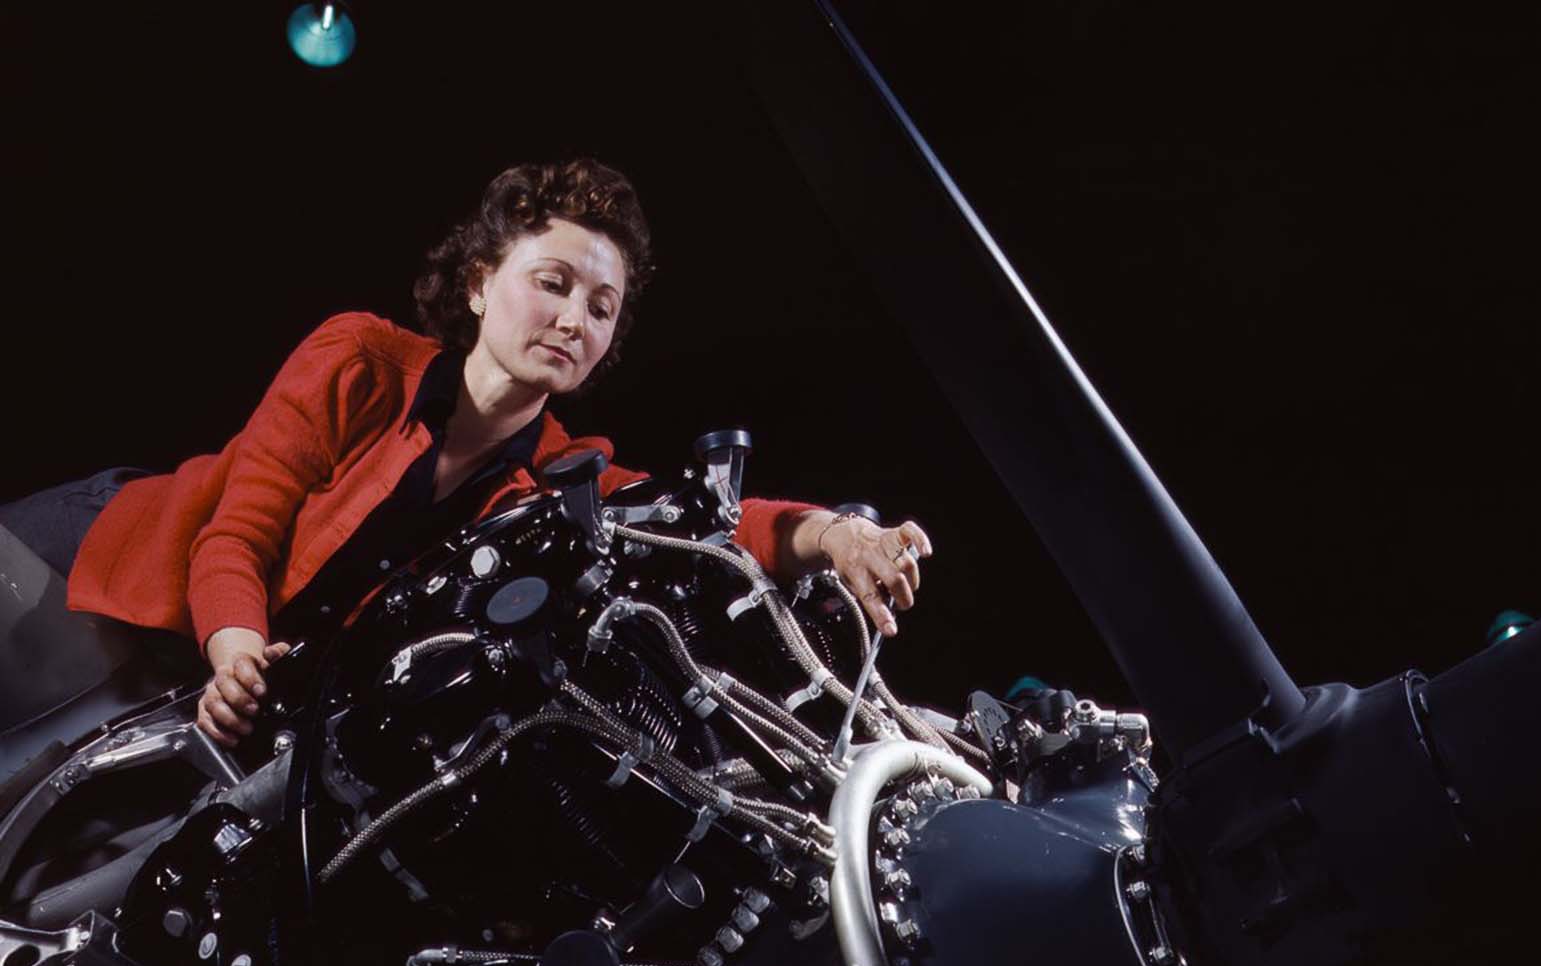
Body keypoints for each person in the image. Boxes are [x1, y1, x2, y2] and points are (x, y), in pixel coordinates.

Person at [9, 158, 931, 750]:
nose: (574, 318)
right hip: (111, 570)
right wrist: (238, 645)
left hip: (224, 674)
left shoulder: (559, 471)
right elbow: (237, 527)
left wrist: (833, 535)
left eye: (601, 308)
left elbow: (694, 516)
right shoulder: (359, 359)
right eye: (554, 283)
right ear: (483, 283)